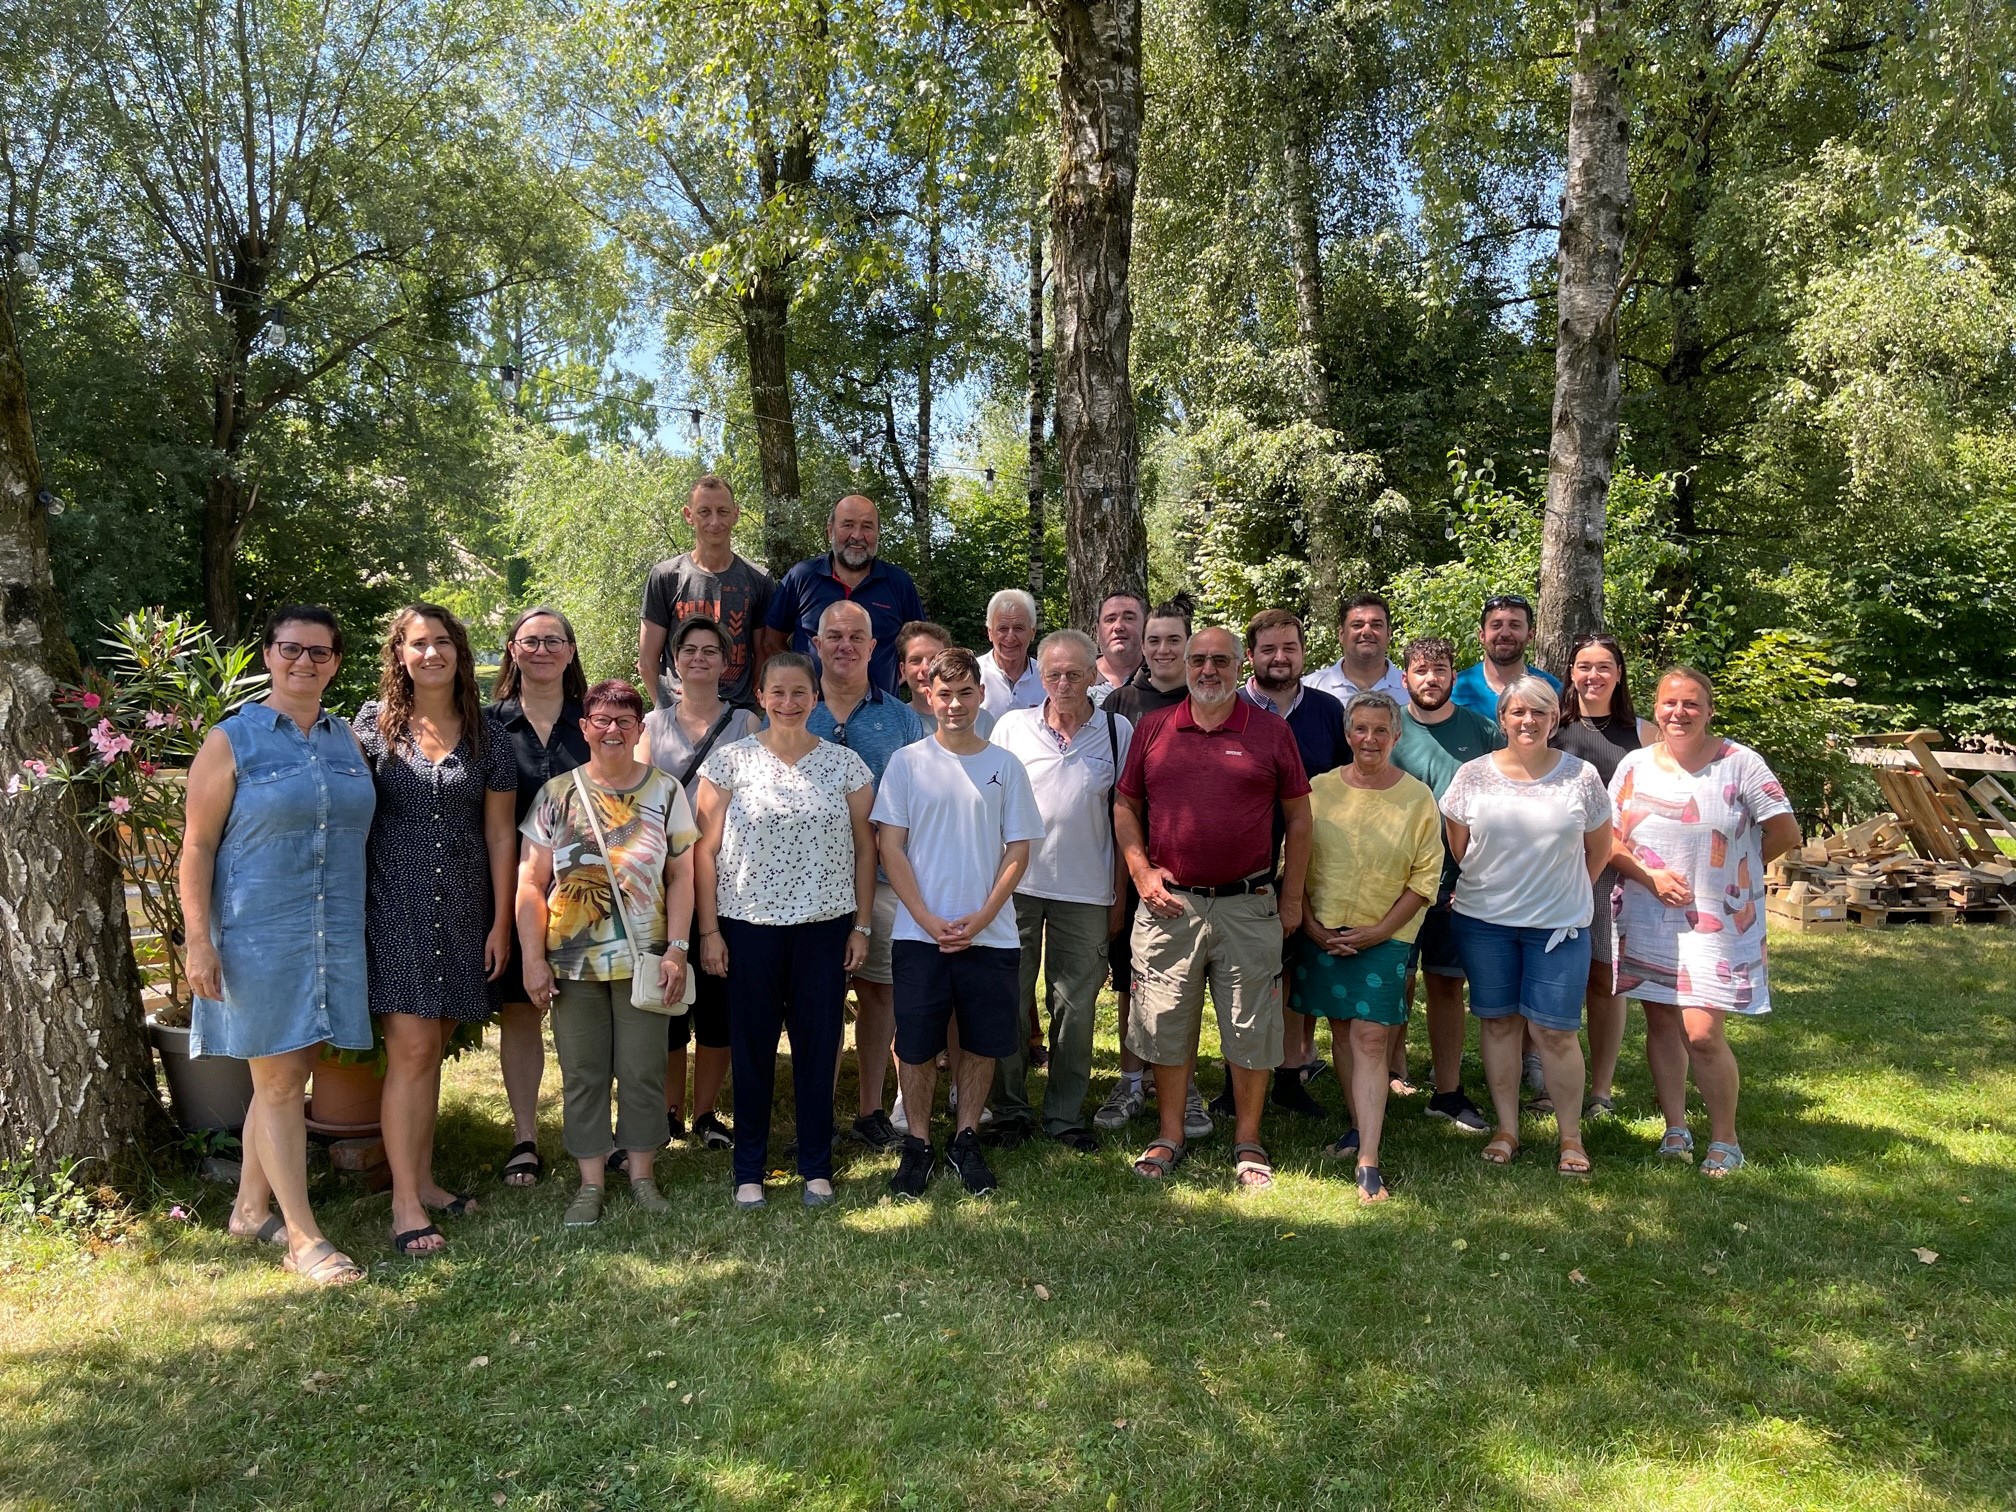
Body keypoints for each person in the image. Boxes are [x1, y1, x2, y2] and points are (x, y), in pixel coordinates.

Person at [182, 606, 372, 1286]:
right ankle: (304, 1238)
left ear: (335, 662)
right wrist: (198, 941)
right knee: (282, 1082)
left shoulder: (347, 740)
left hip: (332, 932)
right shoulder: (230, 740)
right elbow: (197, 847)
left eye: (319, 652)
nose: (304, 662)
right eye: (291, 649)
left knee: (290, 1074)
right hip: (258, 935)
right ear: (267, 655)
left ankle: (248, 1209)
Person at [1115, 627, 1310, 1190]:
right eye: (1198, 659)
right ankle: (1169, 1133)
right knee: (1166, 1024)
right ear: (1185, 665)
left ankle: (1248, 1140)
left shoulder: (1270, 731)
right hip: (1169, 905)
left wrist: (1291, 898)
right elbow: (1126, 805)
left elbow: (1299, 819)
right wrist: (1140, 871)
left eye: (1220, 661)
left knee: (1250, 1027)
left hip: (1247, 904)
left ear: (1239, 665)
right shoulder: (1155, 728)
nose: (1207, 670)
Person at [354, 604, 518, 1257]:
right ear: (400, 653)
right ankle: (404, 1203)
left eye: (442, 641)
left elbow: (500, 835)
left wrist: (501, 920)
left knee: (434, 1046)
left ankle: (422, 1178)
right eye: (418, 643)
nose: (431, 653)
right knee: (413, 1049)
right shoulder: (372, 727)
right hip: (394, 906)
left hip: (466, 909)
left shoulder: (488, 736)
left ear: (459, 652)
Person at [693, 654, 877, 1208]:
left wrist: (861, 925)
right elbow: (704, 852)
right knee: (751, 1047)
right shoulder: (730, 763)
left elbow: (866, 850)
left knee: (818, 1047)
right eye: (778, 691)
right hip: (747, 926)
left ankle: (815, 1165)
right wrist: (709, 932)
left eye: (800, 692)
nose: (789, 702)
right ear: (761, 696)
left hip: (824, 926)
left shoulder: (846, 766)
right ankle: (748, 1167)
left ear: (815, 697)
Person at [516, 680, 697, 1228]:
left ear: (640, 729)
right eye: (602, 719)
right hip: (573, 962)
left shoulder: (666, 791)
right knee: (583, 1073)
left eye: (624, 720)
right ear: (585, 728)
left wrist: (678, 949)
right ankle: (590, 1182)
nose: (613, 729)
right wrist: (532, 957)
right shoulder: (556, 794)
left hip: (647, 961)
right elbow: (530, 881)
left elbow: (682, 874)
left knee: (643, 1071)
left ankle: (642, 1175)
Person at [1609, 667, 1801, 1177]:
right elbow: (1608, 837)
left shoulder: (1740, 763)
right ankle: (1675, 1127)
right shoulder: (1633, 766)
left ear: (1710, 710)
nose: (1679, 712)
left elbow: (1785, 831)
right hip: (1648, 911)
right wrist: (1650, 877)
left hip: (1716, 919)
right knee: (1661, 1022)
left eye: (1691, 703)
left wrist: (1736, 875)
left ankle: (1725, 1139)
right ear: (1656, 708)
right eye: (1670, 703)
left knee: (1701, 1032)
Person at [874, 648, 1044, 1197]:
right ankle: (918, 1142)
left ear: (980, 695)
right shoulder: (907, 764)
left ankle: (966, 1137)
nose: (954, 704)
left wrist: (984, 915)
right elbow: (890, 847)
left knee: (981, 1043)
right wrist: (926, 918)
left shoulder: (1005, 766)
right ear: (928, 695)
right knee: (916, 1045)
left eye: (965, 693)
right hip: (918, 934)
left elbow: (1018, 849)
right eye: (944, 694)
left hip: (989, 934)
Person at [1439, 676, 1613, 1176]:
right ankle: (1507, 1129)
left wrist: (1562, 891)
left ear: (1555, 719)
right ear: (1502, 719)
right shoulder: (1472, 776)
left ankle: (1570, 1138)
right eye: (1518, 712)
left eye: (1539, 712)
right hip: (1484, 923)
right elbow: (1460, 847)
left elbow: (1599, 850)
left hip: (1558, 927)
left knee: (1555, 1032)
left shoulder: (1581, 777)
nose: (1528, 721)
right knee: (1499, 1024)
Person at [1293, 691, 1443, 1204]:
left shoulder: (1417, 797)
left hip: (1386, 936)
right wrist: (1312, 926)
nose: (1370, 739)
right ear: (1347, 733)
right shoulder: (1318, 790)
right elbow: (1296, 864)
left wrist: (1379, 932)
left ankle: (1369, 1161)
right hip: (1325, 934)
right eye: (1361, 728)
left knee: (1372, 1038)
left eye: (1381, 730)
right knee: (1342, 1030)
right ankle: (1358, 1127)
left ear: (1396, 736)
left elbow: (1425, 877)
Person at [989, 630, 1134, 1150]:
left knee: (1075, 1006)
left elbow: (1126, 817)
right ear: (1041, 677)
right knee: (1009, 996)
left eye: (1074, 673)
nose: (1064, 683)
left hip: (1087, 890)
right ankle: (1008, 1110)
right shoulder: (1012, 727)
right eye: (1054, 674)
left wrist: (1118, 894)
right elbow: (990, 808)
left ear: (1094, 674)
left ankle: (1064, 1116)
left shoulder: (1117, 731)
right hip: (1016, 887)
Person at [804, 600, 927, 1148]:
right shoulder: (793, 709)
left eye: (857, 636)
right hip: (809, 887)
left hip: (882, 883)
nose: (845, 645)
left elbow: (918, 800)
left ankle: (870, 1111)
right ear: (816, 644)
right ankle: (817, 1114)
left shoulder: (901, 719)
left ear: (874, 647)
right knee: (819, 1001)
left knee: (880, 995)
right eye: (834, 635)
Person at [639, 616, 760, 1150]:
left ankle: (707, 1112)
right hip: (664, 882)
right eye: (689, 650)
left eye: (711, 650)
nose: (699, 659)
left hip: (729, 878)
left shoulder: (747, 722)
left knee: (718, 999)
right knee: (667, 996)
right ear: (673, 660)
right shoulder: (650, 725)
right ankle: (669, 1110)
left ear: (727, 661)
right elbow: (640, 800)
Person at [1095, 597, 1213, 1141]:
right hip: (1134, 861)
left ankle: (1185, 1086)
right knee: (1132, 978)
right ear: (1142, 647)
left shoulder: (1208, 697)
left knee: (1186, 985)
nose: (1163, 650)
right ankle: (1131, 1079)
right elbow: (1117, 795)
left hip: (1195, 870)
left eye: (1173, 640)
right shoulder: (1121, 702)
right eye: (1155, 641)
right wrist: (1126, 875)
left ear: (1189, 646)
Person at [486, 607, 590, 1189]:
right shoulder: (485, 725)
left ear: (571, 651)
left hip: (588, 896)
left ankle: (596, 1134)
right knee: (521, 1013)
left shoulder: (595, 720)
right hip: (511, 889)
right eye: (531, 641)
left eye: (554, 640)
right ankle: (525, 1138)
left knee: (590, 1011)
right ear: (513, 650)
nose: (543, 649)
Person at [1236, 608, 1347, 1120]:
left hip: (1313, 862)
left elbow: (1346, 785)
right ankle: (1236, 1077)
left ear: (1303, 653)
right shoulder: (1231, 709)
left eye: (1289, 648)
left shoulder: (1327, 711)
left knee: (1293, 973)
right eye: (1268, 649)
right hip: (1245, 867)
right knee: (1243, 978)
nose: (1280, 658)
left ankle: (1289, 1073)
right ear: (1250, 656)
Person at [1389, 637, 1501, 1134]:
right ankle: (1385, 1077)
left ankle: (1448, 1092)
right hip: (1392, 884)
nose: (1430, 678)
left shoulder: (1482, 731)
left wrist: (1480, 874)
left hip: (1458, 885)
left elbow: (1503, 802)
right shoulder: (1388, 728)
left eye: (1439, 669)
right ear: (1405, 678)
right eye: (1420, 670)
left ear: (1454, 675)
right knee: (1392, 981)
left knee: (1446, 985)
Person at [1550, 631, 1659, 1120]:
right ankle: (1547, 1075)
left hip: (1618, 870)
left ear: (1619, 675)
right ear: (1571, 673)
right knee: (1553, 972)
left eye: (1603, 667)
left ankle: (1601, 1089)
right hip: (1557, 867)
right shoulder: (1552, 726)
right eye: (1583, 666)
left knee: (1605, 977)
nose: (1592, 675)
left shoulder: (1645, 733)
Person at [761, 494, 926, 693]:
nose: (857, 535)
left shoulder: (899, 583)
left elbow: (921, 646)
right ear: (830, 530)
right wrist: (800, 680)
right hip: (811, 708)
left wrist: (888, 682)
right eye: (848, 525)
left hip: (879, 709)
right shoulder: (802, 577)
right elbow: (771, 641)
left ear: (878, 533)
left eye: (867, 526)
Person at [638, 474, 775, 709]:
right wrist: (666, 712)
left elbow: (764, 657)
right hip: (677, 711)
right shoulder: (666, 577)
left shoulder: (759, 580)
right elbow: (647, 662)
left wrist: (750, 713)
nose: (714, 521)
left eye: (722, 511)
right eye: (704, 512)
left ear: (735, 514)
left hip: (737, 714)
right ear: (688, 515)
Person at [1451, 593, 1561, 719]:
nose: (1505, 633)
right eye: (1496, 625)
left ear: (1530, 635)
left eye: (1515, 625)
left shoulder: (1553, 690)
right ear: (1482, 635)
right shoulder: (1454, 690)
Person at [1307, 593, 1410, 705]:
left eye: (1376, 625)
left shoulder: (1412, 689)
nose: (1367, 632)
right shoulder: (1310, 688)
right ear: (1341, 634)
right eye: (1357, 625)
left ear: (1388, 634)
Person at [898, 619, 994, 737]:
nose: (926, 668)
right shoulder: (894, 723)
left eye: (934, 660)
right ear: (903, 670)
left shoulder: (983, 720)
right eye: (916, 660)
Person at [978, 588, 1044, 717]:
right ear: (990, 633)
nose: (1010, 638)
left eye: (1018, 628)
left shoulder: (1046, 678)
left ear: (1032, 632)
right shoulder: (973, 674)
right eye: (1002, 628)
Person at [1090, 591, 1146, 706]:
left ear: (1146, 627)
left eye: (1129, 618)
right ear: (1097, 631)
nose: (1118, 627)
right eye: (1110, 619)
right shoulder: (1077, 679)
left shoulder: (1160, 678)